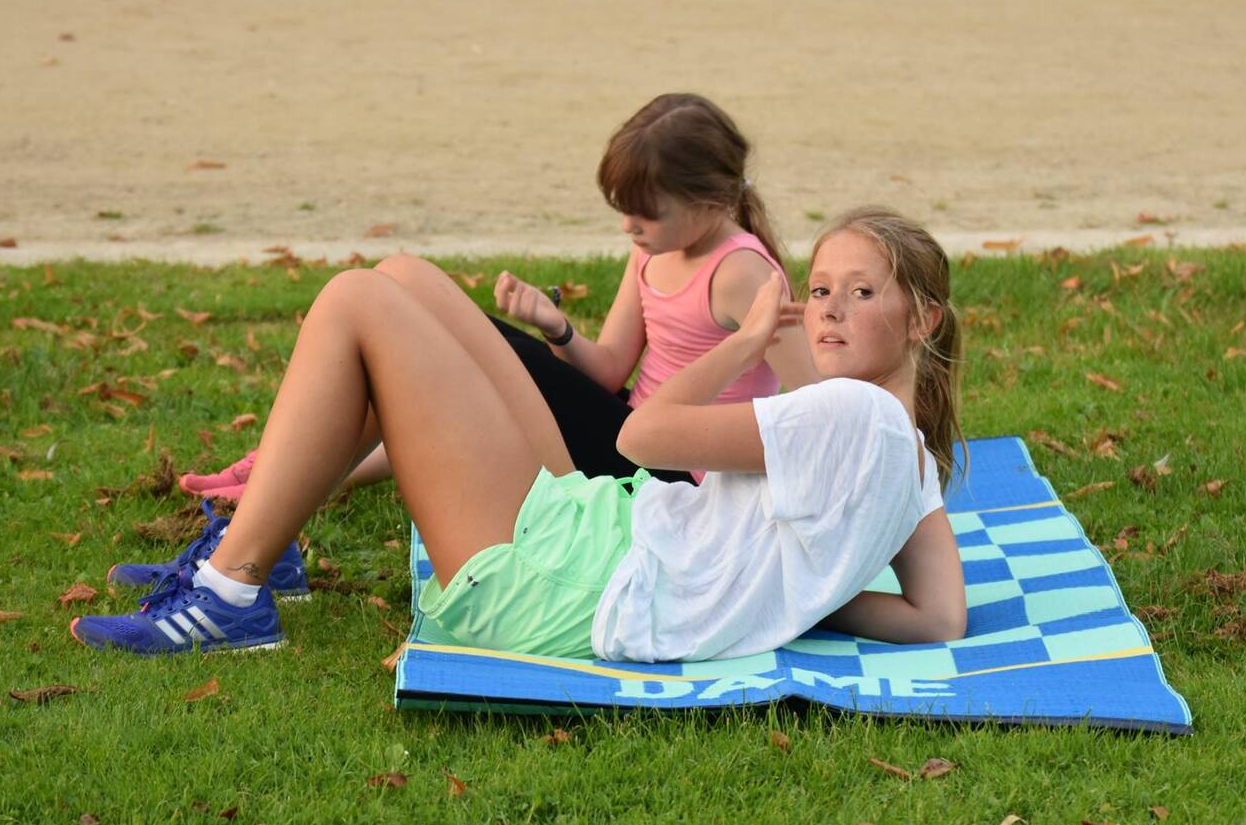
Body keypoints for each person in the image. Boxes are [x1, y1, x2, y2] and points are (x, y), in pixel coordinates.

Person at [71, 207, 968, 658]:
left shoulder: (845, 411)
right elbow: (939, 617)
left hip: (577, 585)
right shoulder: (913, 453)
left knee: (357, 300)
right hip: (607, 533)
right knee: (406, 279)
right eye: (819, 290)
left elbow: (644, 436)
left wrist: (740, 346)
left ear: (921, 319)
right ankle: (270, 542)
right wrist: (790, 599)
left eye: (862, 291)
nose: (827, 310)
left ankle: (231, 596)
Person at [105, 94, 814, 593]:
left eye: (645, 216)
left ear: (713, 202)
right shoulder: (655, 251)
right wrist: (556, 328)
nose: (630, 229)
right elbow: (607, 372)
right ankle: (271, 531)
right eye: (622, 216)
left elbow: (820, 410)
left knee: (404, 330)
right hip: (622, 427)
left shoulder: (745, 273)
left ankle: (258, 538)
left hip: (662, 481)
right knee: (401, 281)